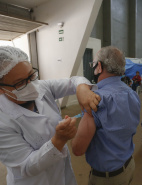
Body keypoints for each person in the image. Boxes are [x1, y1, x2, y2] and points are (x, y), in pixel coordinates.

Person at [0, 46, 101, 185]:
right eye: (20, 83)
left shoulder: (41, 86)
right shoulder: (3, 120)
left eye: (31, 75)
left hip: (62, 175)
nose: (31, 85)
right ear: (1, 89)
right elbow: (26, 166)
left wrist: (82, 88)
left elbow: (74, 81)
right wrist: (59, 140)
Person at [71, 46, 140, 185]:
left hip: (107, 178)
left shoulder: (95, 101)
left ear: (99, 67)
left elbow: (78, 149)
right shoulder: (132, 94)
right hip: (129, 166)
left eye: (94, 64)